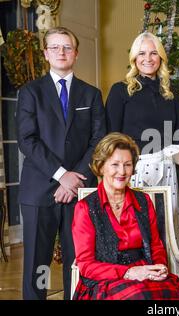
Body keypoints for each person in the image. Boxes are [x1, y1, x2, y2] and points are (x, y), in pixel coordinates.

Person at [16, 27, 106, 300]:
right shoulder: (30, 92)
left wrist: (75, 177)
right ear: (46, 53)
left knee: (77, 260)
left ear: (76, 54)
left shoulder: (91, 94)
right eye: (55, 47)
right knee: (36, 265)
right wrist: (61, 175)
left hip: (80, 189)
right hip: (38, 190)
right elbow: (27, 139)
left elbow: (99, 141)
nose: (61, 52)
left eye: (67, 47)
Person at [71, 132, 179, 300]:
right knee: (140, 297)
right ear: (101, 167)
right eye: (115, 165)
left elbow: (156, 246)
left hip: (144, 272)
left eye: (127, 164)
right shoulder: (85, 207)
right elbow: (86, 265)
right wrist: (129, 273)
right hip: (104, 281)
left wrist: (158, 268)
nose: (122, 172)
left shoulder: (143, 201)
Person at [105, 32, 179, 222]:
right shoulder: (120, 91)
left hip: (167, 171)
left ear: (161, 57)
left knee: (165, 230)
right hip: (132, 173)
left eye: (153, 53)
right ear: (134, 58)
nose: (147, 59)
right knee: (134, 232)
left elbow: (178, 143)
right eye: (141, 53)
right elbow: (111, 142)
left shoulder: (171, 93)